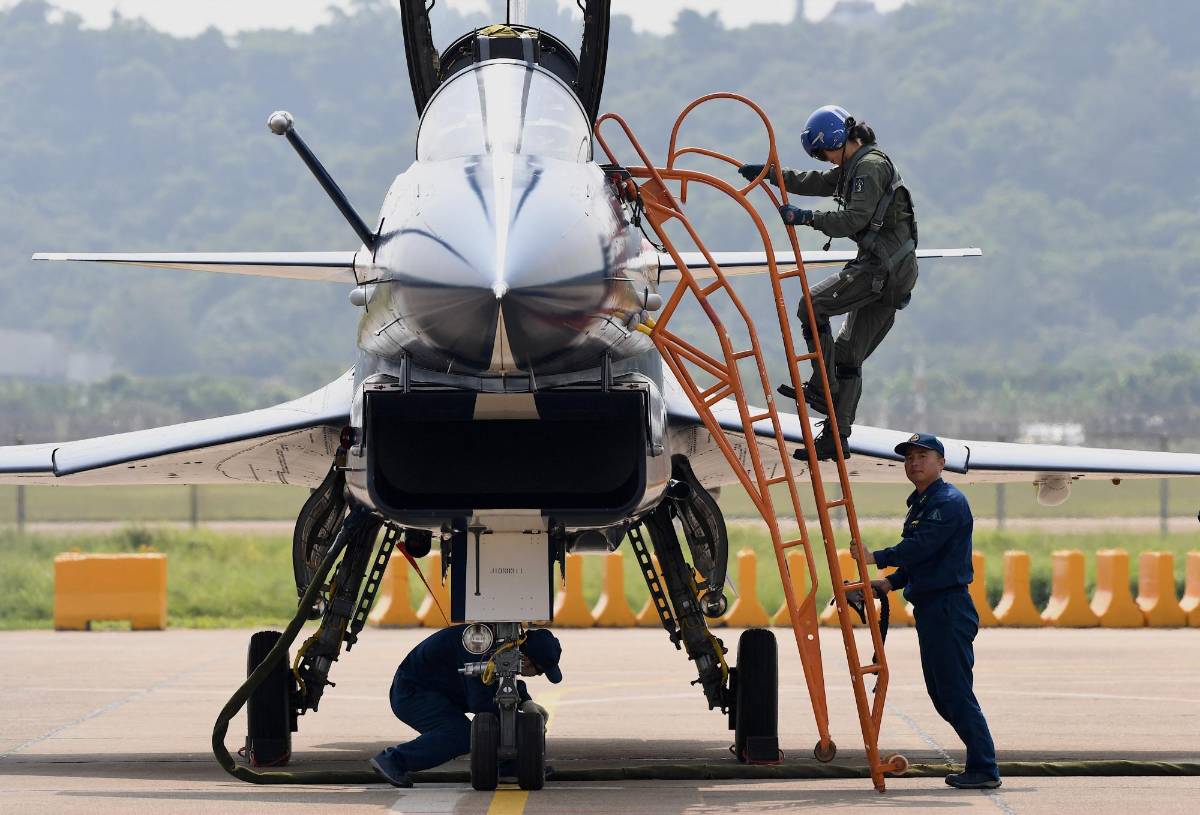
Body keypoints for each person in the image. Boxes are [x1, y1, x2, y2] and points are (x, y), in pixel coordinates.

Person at [739, 105, 918, 460]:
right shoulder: (854, 166)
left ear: (838, 140)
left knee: (812, 305)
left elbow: (853, 219)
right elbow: (817, 182)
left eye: (826, 153)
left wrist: (806, 218)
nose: (827, 162)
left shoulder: (868, 167)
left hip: (880, 270)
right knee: (849, 356)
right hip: (892, 272)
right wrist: (772, 175)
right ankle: (837, 439)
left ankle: (822, 387)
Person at [853, 433, 1001, 789]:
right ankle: (981, 763)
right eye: (909, 458)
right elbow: (926, 558)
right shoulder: (922, 502)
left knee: (955, 692)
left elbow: (922, 546)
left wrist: (876, 559)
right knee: (942, 693)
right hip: (933, 607)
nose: (914, 462)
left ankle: (984, 768)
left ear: (941, 462)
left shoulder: (947, 502)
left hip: (948, 607)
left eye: (923, 455)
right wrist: (890, 582)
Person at [369, 625, 563, 787]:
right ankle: (393, 760)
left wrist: (526, 701)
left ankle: (509, 766)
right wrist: (523, 727)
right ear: (526, 660)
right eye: (539, 672)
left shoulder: (501, 643)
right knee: (462, 734)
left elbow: (503, 678)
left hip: (440, 692)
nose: (537, 676)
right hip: (413, 692)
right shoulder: (477, 645)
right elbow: (481, 703)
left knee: (485, 727)